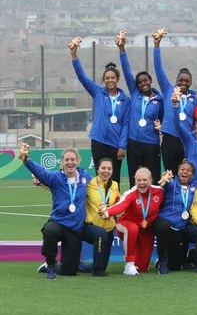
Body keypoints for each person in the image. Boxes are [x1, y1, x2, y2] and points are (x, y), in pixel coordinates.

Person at [22, 145, 92, 279]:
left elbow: (96, 188)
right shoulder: (55, 177)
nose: (70, 162)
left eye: (73, 159)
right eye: (67, 160)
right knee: (50, 231)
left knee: (69, 271)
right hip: (59, 222)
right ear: (62, 161)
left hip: (75, 228)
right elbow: (42, 172)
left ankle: (58, 264)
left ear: (78, 160)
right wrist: (27, 161)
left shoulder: (85, 177)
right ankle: (50, 265)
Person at [70, 41, 129, 186]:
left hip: (115, 144)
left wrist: (122, 146)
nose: (110, 80)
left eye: (112, 78)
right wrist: (74, 54)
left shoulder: (125, 100)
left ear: (117, 79)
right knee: (100, 175)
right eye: (107, 78)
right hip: (98, 141)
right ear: (104, 80)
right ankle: (100, 204)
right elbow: (82, 77)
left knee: (114, 178)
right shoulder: (97, 92)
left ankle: (113, 206)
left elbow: (126, 124)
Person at [117, 35, 163, 186]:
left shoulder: (160, 100)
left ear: (151, 81)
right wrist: (121, 49)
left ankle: (154, 208)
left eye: (145, 80)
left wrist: (160, 126)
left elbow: (162, 120)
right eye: (140, 82)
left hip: (152, 143)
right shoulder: (135, 93)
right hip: (134, 143)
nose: (143, 83)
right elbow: (126, 70)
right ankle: (135, 207)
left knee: (153, 178)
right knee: (134, 179)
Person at [101, 167, 164, 275]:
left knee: (142, 267)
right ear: (135, 181)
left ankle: (160, 260)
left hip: (145, 231)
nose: (142, 183)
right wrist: (108, 212)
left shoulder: (159, 191)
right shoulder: (131, 193)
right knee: (132, 228)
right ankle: (129, 264)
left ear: (150, 180)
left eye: (145, 180)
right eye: (138, 180)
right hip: (125, 225)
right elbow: (121, 205)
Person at [153, 31, 197, 174]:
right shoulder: (168, 89)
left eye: (187, 81)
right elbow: (158, 69)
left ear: (191, 82)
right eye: (181, 80)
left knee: (186, 174)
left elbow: (196, 120)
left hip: (186, 139)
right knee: (170, 174)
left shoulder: (195, 98)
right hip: (169, 139)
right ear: (176, 81)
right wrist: (156, 45)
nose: (183, 83)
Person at [152, 161, 197, 274]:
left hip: (181, 226)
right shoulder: (172, 183)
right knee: (163, 227)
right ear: (178, 172)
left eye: (188, 170)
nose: (185, 172)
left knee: (175, 267)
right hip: (165, 222)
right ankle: (162, 260)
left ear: (192, 175)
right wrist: (165, 178)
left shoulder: (195, 187)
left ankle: (186, 256)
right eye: (182, 169)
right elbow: (163, 184)